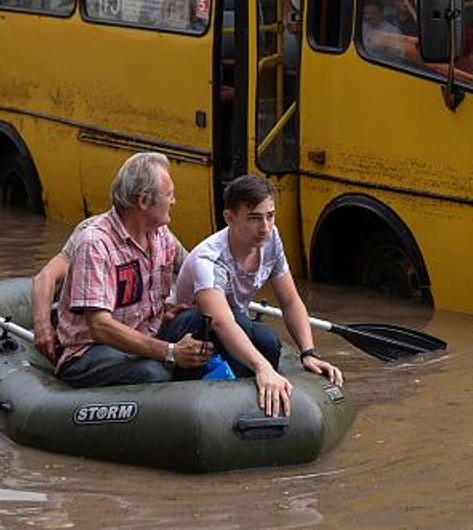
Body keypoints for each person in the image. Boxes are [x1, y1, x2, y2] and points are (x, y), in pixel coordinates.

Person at [162, 174, 343, 417]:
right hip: (187, 327)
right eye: (254, 218)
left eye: (270, 216)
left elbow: (289, 301)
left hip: (234, 321)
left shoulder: (271, 239)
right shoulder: (210, 259)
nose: (265, 227)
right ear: (230, 218)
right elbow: (221, 322)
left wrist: (308, 352)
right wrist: (262, 368)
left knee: (268, 342)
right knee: (242, 324)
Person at [54, 152, 210, 387]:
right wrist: (170, 351)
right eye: (169, 195)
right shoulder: (95, 243)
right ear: (144, 201)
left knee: (202, 321)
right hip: (91, 351)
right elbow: (100, 326)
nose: (174, 201)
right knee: (153, 373)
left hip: (147, 334)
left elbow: (195, 271)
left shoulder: (160, 235)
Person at [28, 215, 189, 364]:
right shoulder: (93, 237)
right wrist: (42, 326)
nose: (173, 201)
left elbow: (191, 269)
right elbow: (46, 276)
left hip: (137, 325)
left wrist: (164, 308)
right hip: (91, 329)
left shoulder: (159, 233)